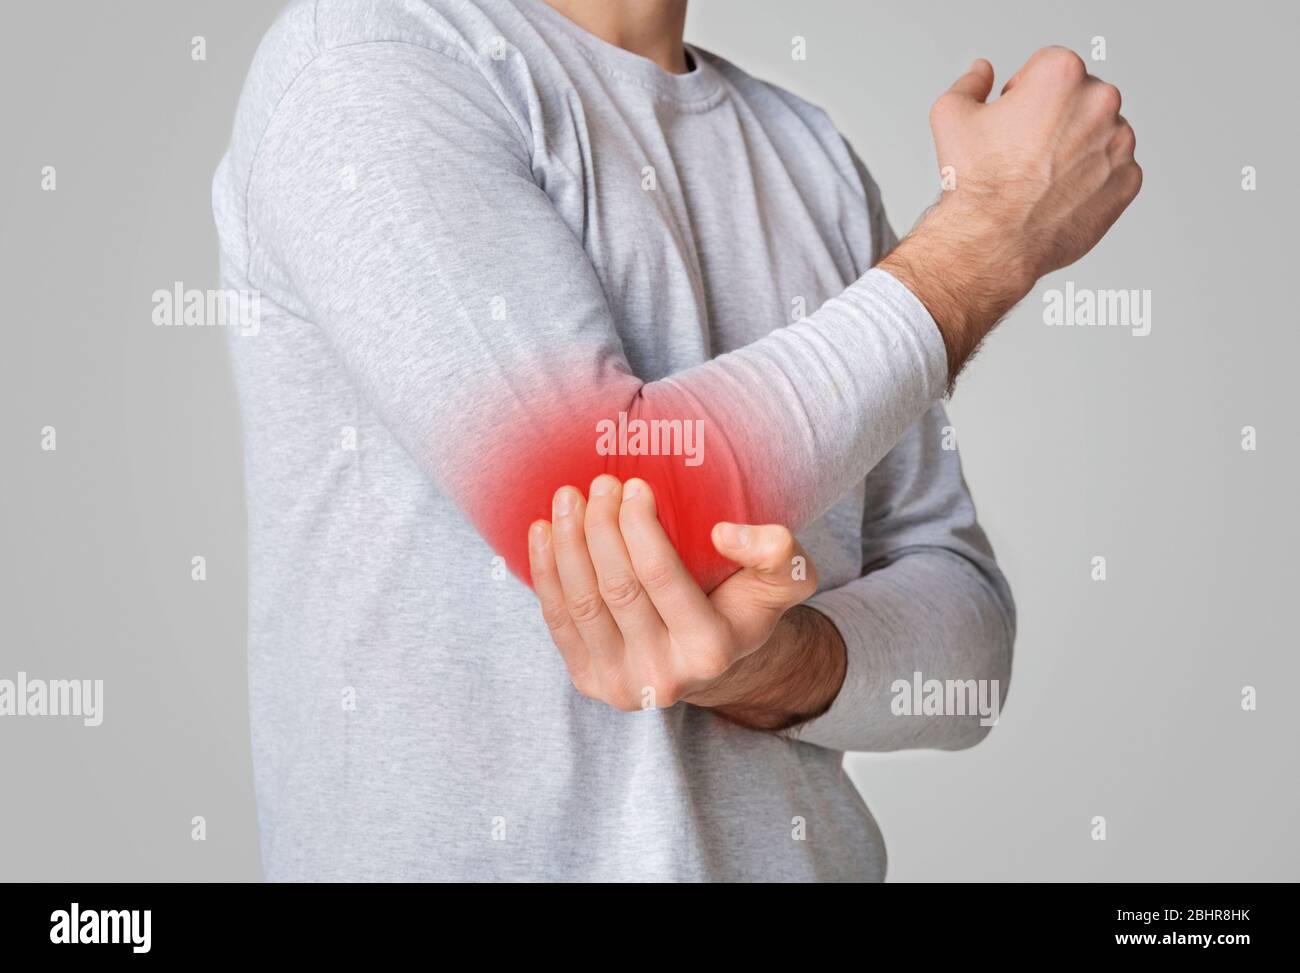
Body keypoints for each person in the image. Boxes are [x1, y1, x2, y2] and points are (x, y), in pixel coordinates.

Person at [213, 0, 1139, 880]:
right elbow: (596, 494)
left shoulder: (810, 155)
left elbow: (968, 633)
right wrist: (986, 240)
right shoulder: (369, 61)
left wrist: (780, 665)